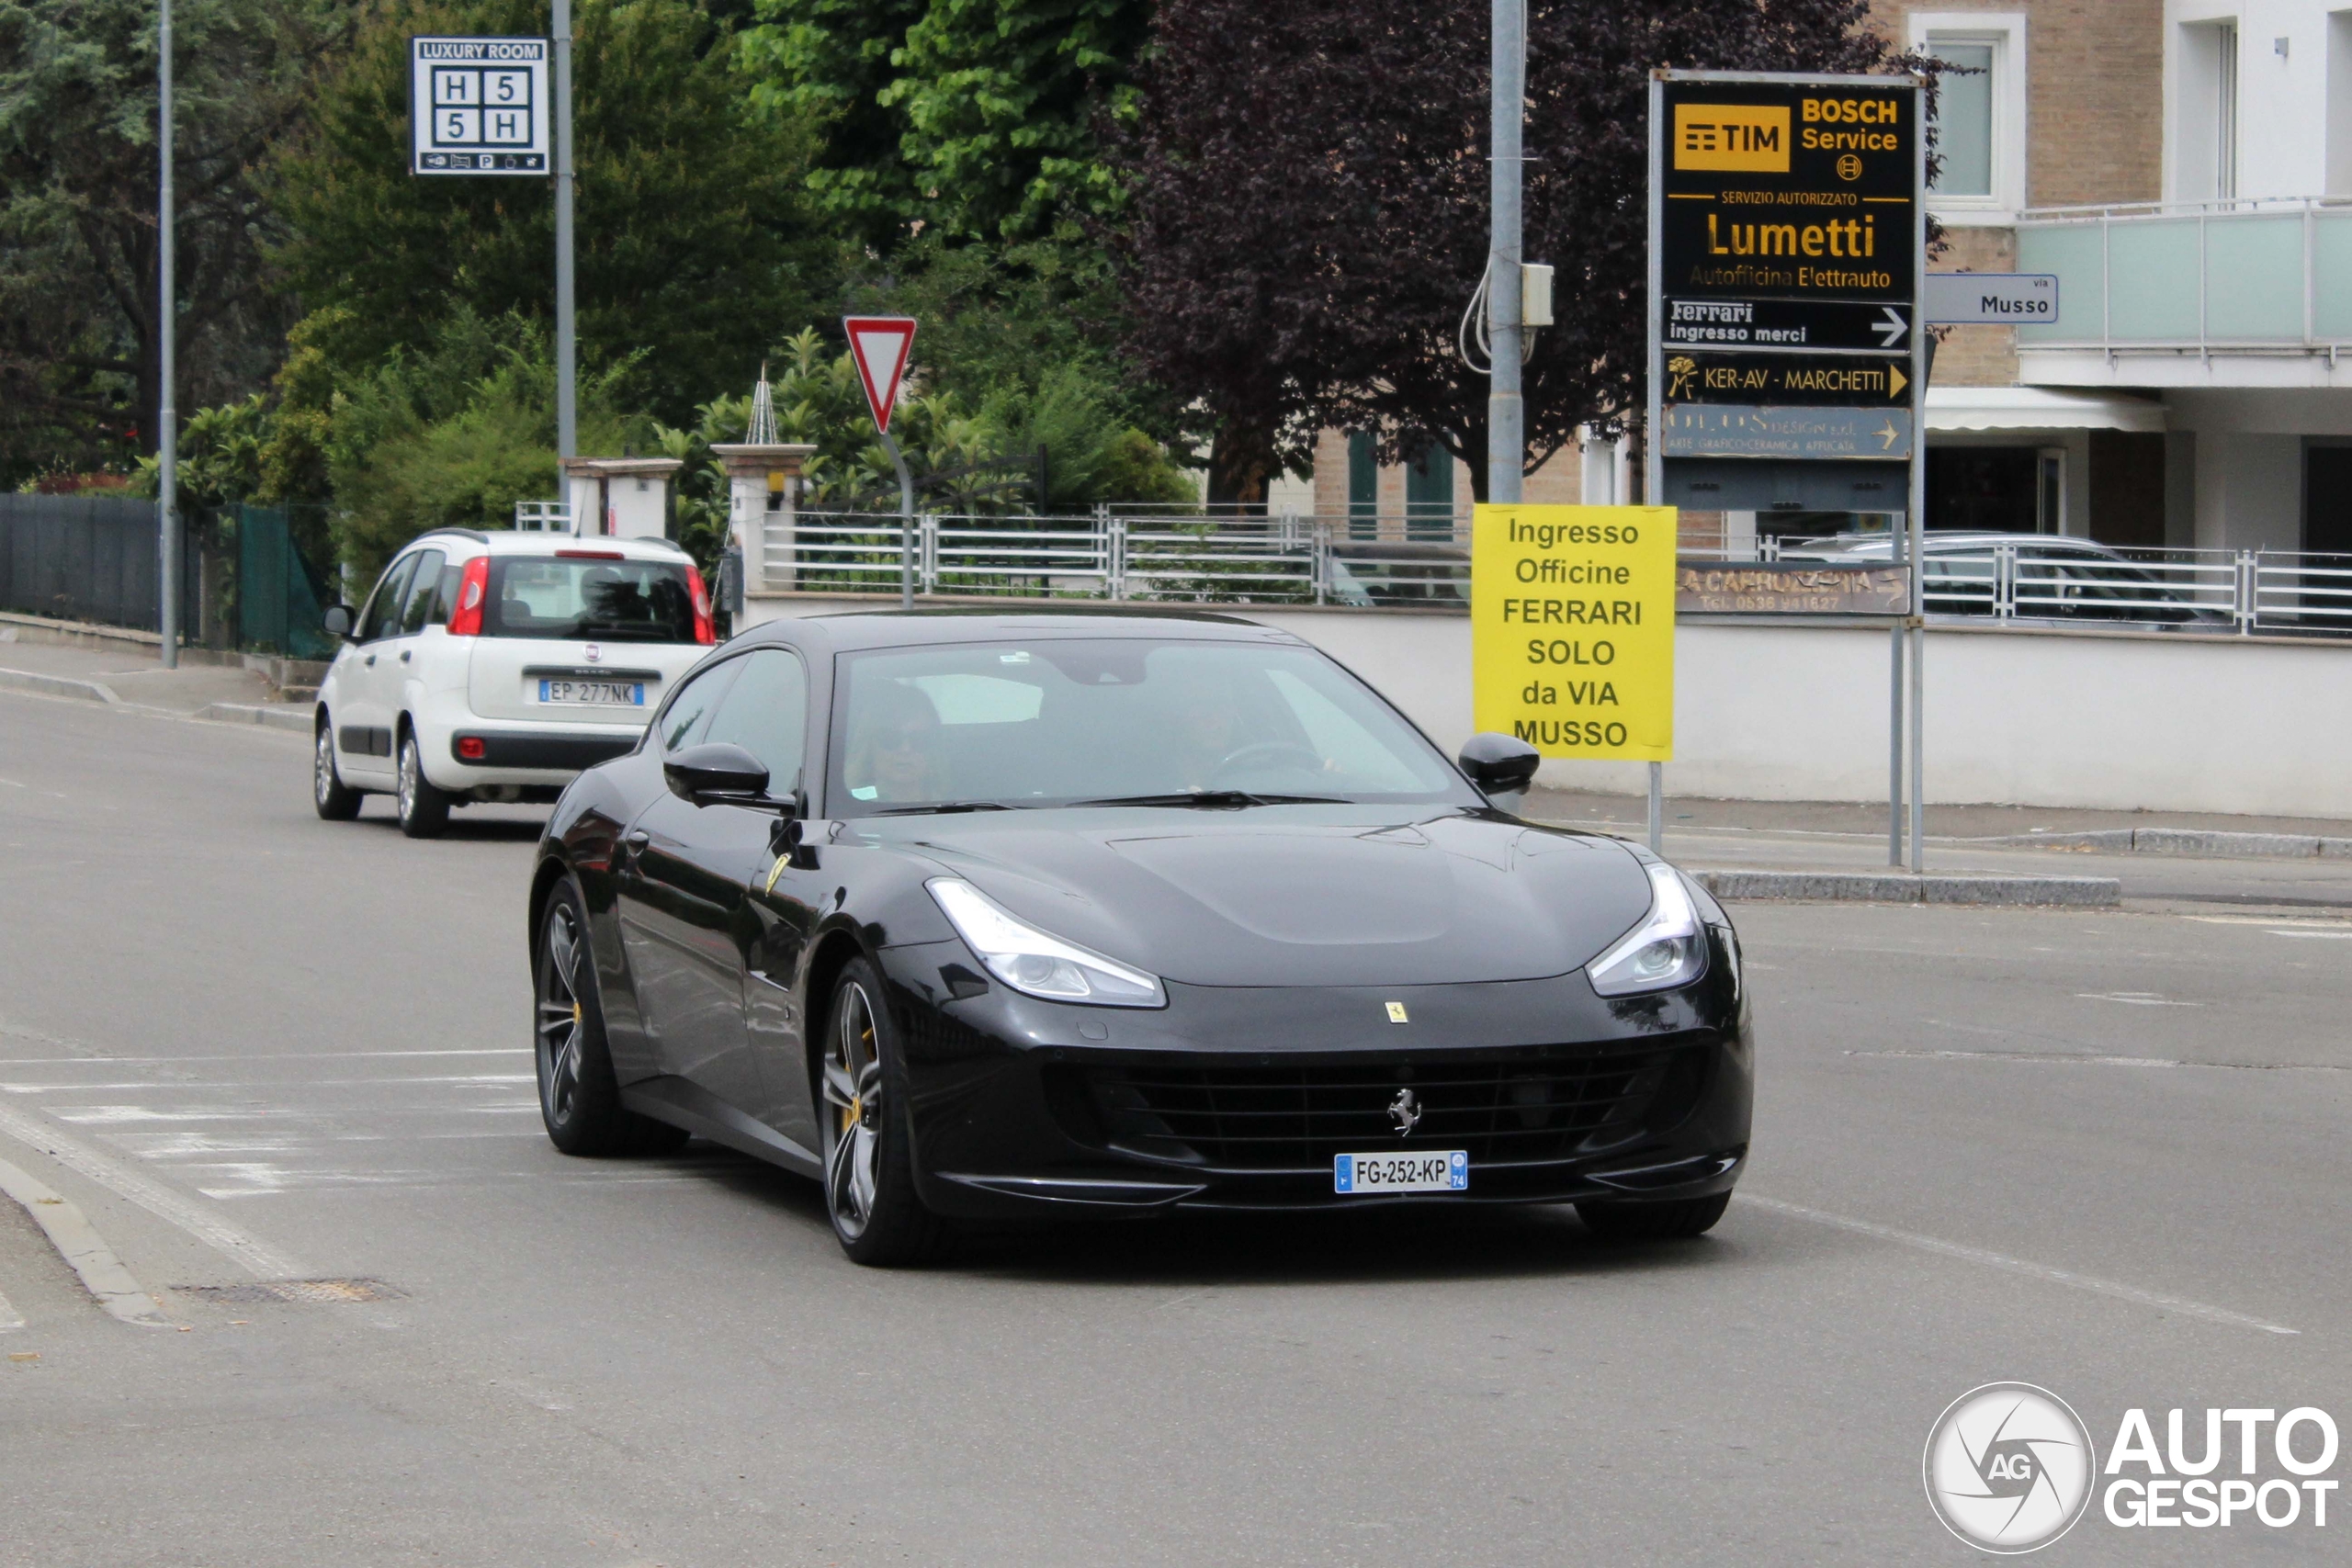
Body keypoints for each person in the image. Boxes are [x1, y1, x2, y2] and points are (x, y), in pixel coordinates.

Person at [845, 680, 951, 803]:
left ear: (933, 748)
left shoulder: (958, 809)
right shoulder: (845, 807)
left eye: (919, 739)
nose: (905, 749)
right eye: (890, 738)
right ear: (869, 746)